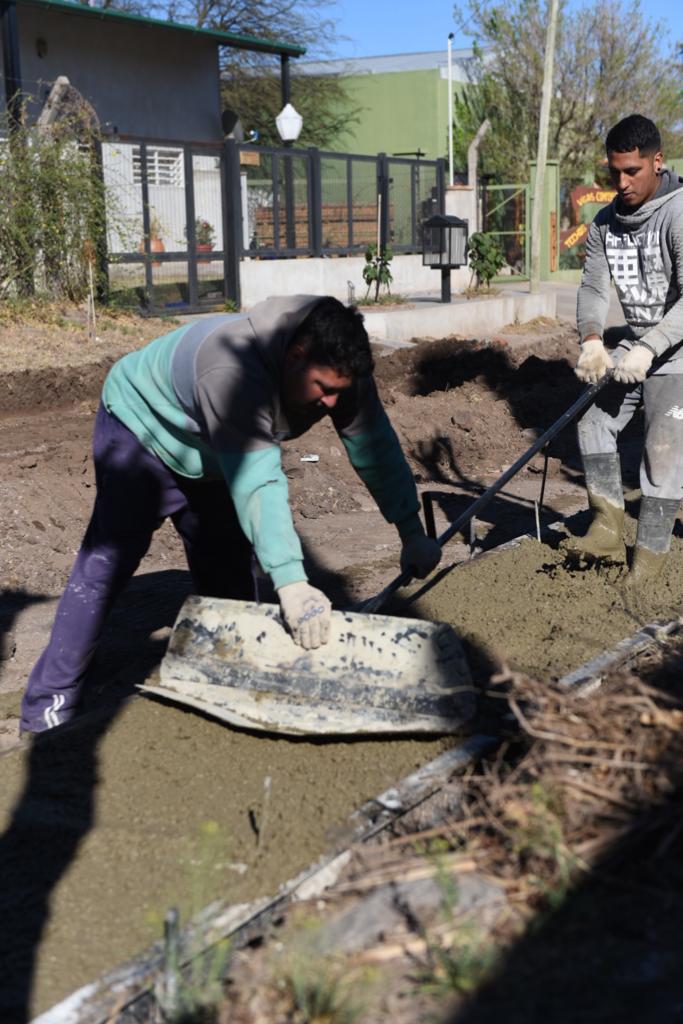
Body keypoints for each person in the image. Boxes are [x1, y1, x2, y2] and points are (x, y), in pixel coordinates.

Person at [21, 296, 441, 734]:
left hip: (215, 449)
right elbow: (259, 481)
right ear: (296, 356)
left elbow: (376, 449)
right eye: (323, 388)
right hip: (142, 428)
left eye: (340, 390)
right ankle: (48, 706)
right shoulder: (232, 369)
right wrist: (293, 584)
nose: (334, 402)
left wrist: (411, 531)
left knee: (228, 578)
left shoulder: (341, 367)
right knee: (107, 563)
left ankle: (224, 684)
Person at [567, 114, 683, 583]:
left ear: (657, 162)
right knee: (593, 418)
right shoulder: (605, 223)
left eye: (632, 171)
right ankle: (608, 525)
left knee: (662, 446)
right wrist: (592, 339)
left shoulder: (678, 215)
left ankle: (651, 558)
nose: (622, 182)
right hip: (637, 347)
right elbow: (594, 287)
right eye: (614, 171)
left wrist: (651, 347)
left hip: (678, 354)